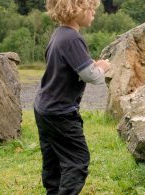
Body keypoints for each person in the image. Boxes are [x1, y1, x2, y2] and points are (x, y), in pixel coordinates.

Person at [33, 0, 111, 194]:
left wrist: (88, 65)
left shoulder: (59, 35)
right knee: (77, 160)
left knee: (53, 159)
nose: (94, 13)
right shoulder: (73, 39)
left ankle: (53, 191)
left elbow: (67, 65)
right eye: (91, 8)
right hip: (61, 112)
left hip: (44, 108)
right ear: (76, 10)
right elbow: (91, 76)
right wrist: (102, 67)